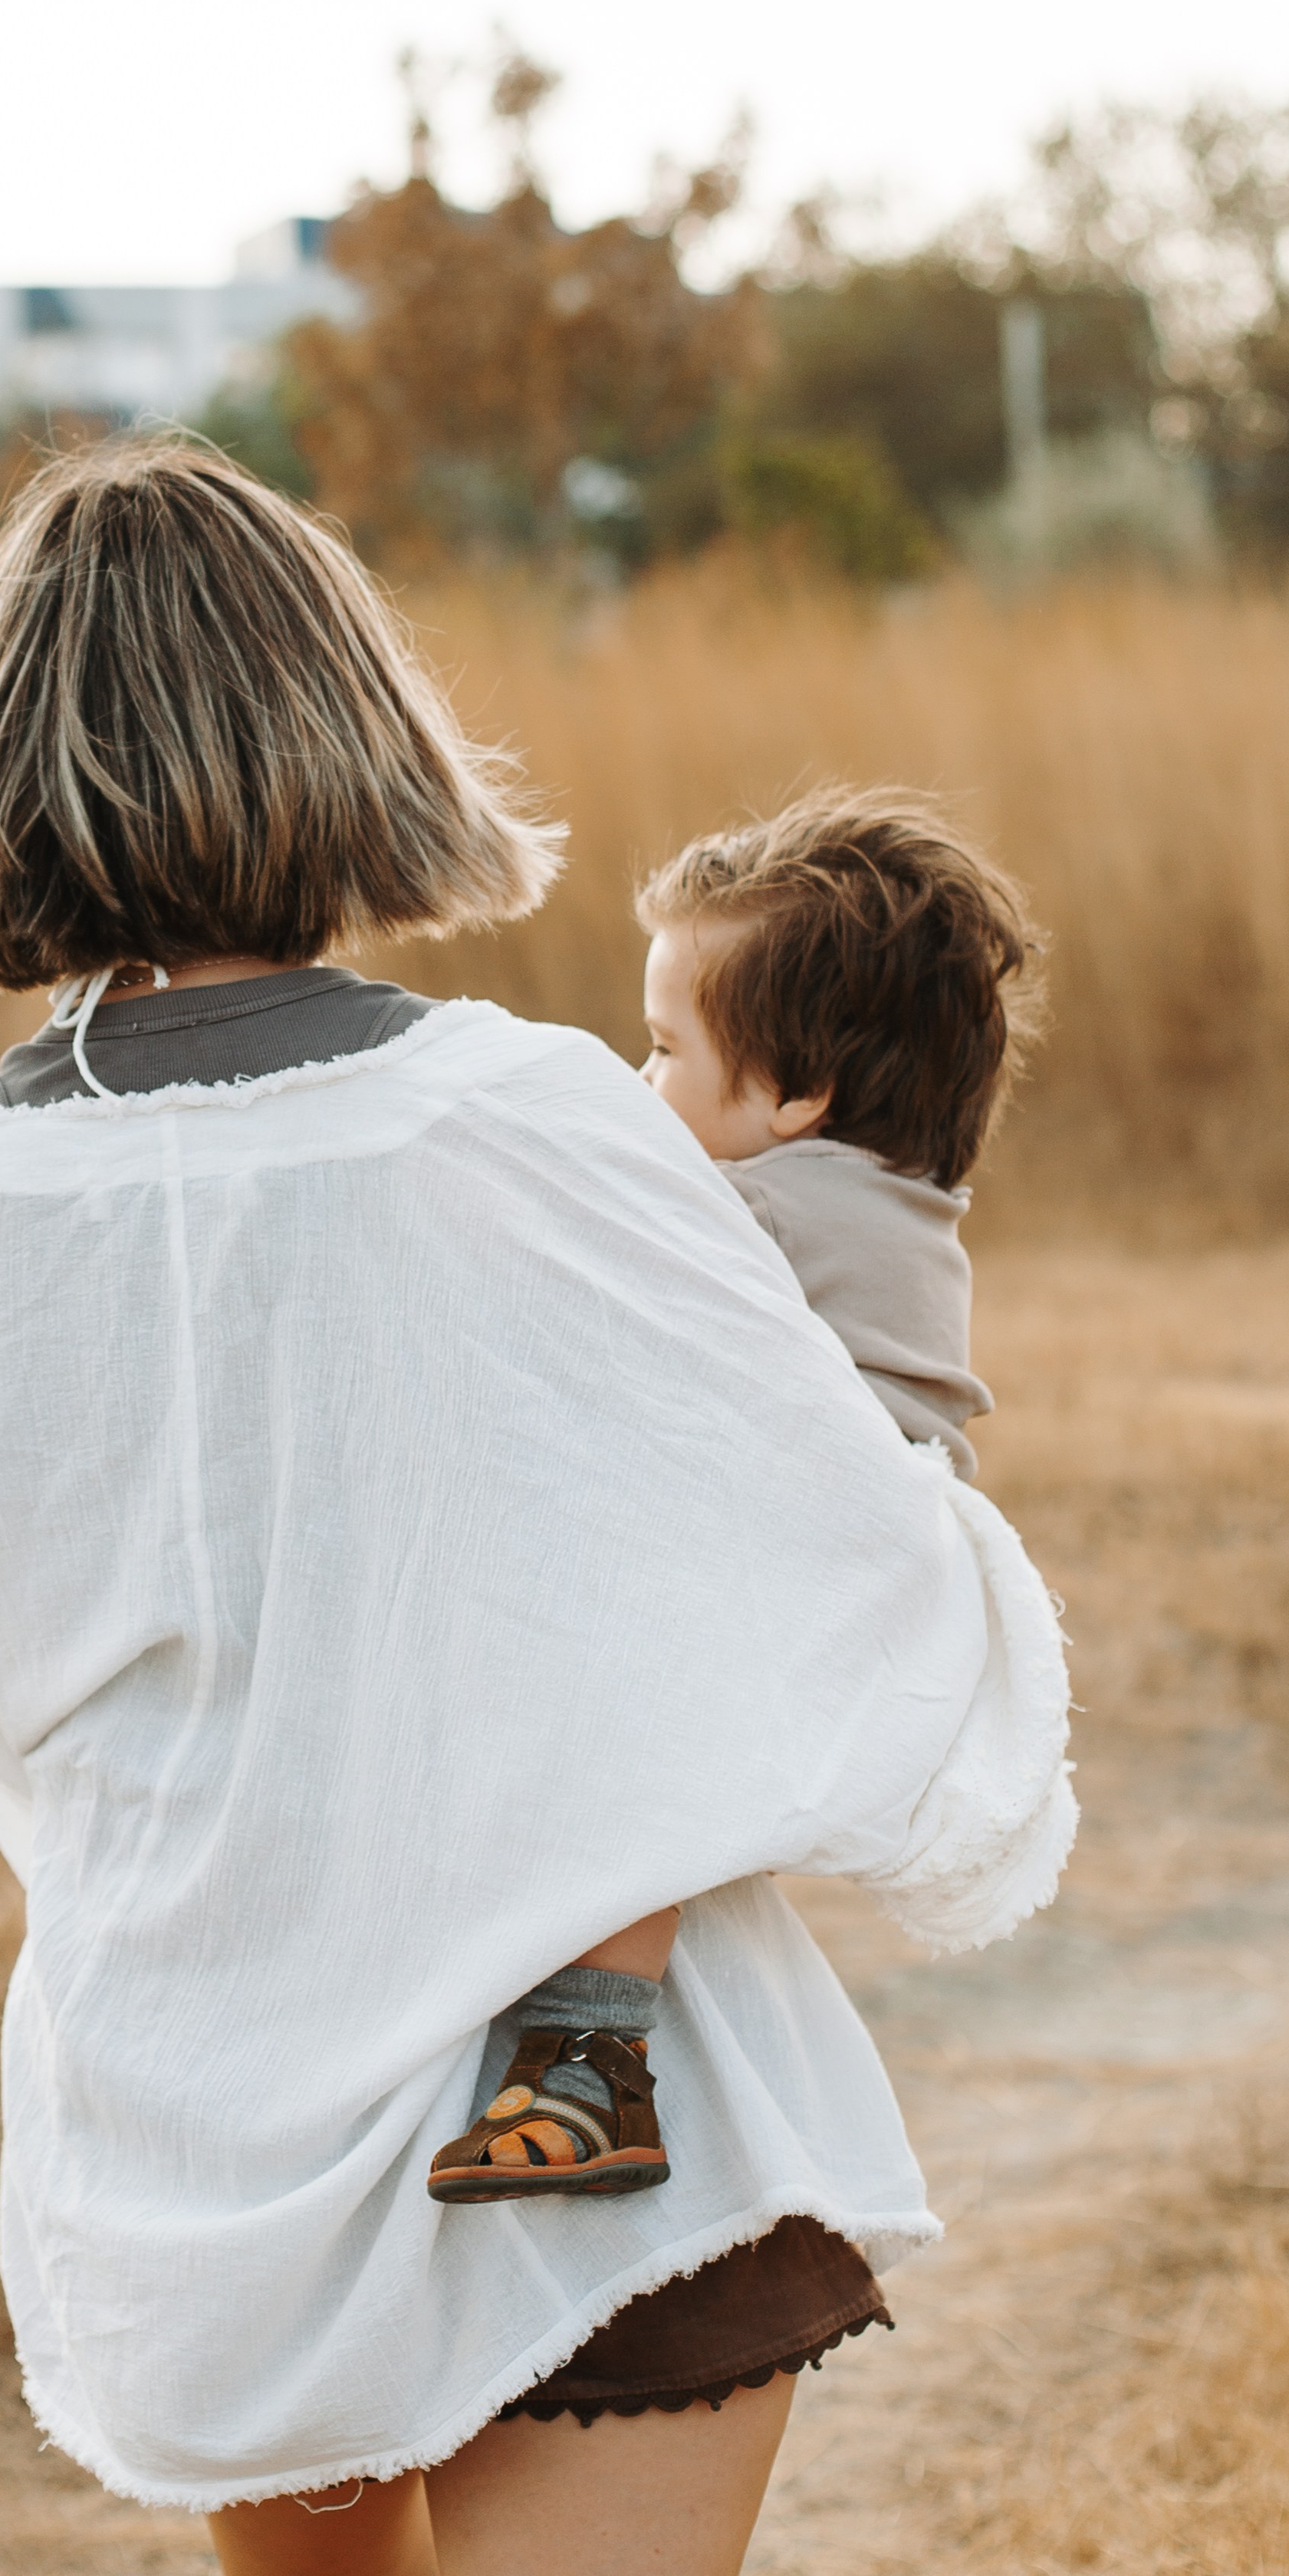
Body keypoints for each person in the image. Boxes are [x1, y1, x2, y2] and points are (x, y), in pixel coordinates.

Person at [0, 438, 1076, 2576]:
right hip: (602, 2149)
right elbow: (827, 1541)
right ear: (345, 725)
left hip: (213, 2111)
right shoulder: (528, 1115)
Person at [426, 792, 1041, 2210]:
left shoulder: (756, 1213)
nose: (642, 1088)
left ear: (793, 1099)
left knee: (620, 1736)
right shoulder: (872, 1190)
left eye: (661, 1050)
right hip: (846, 1521)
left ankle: (588, 2067)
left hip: (805, 1538)